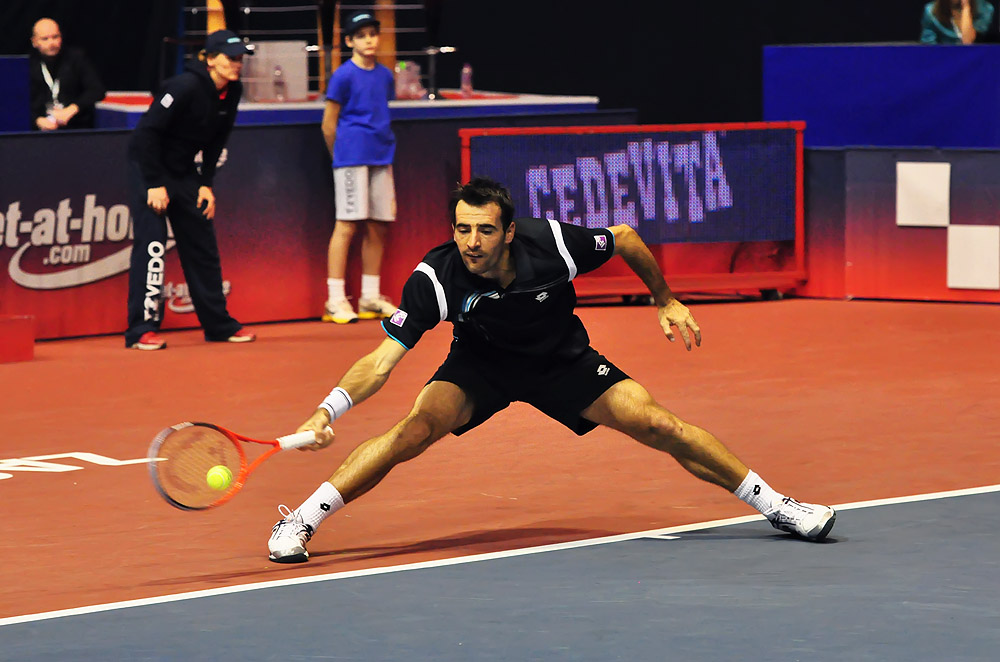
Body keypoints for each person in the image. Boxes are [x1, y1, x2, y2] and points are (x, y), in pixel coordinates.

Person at [266, 177, 837, 562]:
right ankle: (302, 521)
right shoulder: (437, 277)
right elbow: (381, 360)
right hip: (480, 366)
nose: (470, 242)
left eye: (484, 230)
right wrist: (328, 409)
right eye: (461, 229)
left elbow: (625, 238)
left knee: (659, 425)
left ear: (508, 232)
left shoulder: (552, 246)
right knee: (412, 431)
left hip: (560, 358)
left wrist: (665, 298)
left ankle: (780, 507)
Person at [124, 30, 256, 350]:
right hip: (149, 168)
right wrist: (154, 183)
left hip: (184, 172)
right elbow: (145, 136)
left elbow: (216, 140)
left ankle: (218, 325)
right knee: (154, 246)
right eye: (230, 58)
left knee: (202, 244)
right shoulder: (183, 87)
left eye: (240, 58)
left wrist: (206, 184)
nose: (237, 64)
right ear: (210, 60)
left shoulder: (232, 91)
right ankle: (141, 330)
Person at [319, 10, 399, 324]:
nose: (369, 40)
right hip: (351, 157)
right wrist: (340, 157)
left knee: (379, 225)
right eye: (362, 35)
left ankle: (370, 295)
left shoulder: (384, 75)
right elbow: (328, 124)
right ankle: (335, 300)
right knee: (347, 225)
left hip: (383, 155)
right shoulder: (342, 75)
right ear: (350, 41)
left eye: (372, 34)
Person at [28, 18, 106, 131]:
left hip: (76, 128)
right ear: (34, 42)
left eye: (55, 37)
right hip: (40, 131)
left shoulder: (76, 59)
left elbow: (97, 90)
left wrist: (72, 109)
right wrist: (37, 120)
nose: (51, 43)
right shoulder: (28, 65)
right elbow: (17, 103)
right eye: (45, 39)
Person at [920, 0, 995, 43]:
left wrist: (966, 7)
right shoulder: (931, 11)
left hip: (974, 61)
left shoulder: (984, 8)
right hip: (942, 61)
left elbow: (968, 41)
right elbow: (928, 44)